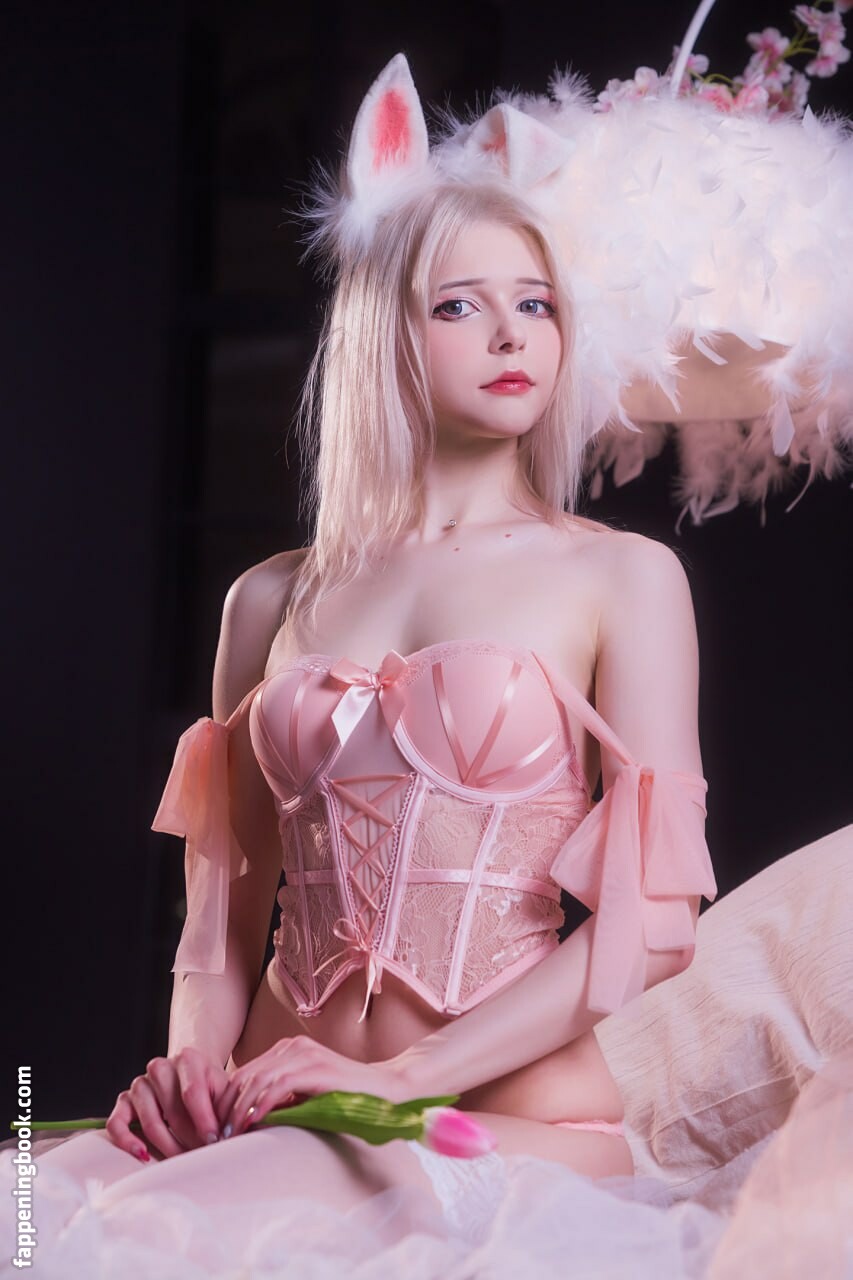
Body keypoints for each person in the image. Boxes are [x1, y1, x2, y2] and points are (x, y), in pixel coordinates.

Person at [27, 62, 720, 1245]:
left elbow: (656, 919)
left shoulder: (622, 576)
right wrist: (190, 1072)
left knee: (141, 1238)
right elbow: (224, 912)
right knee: (31, 1207)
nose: (509, 332)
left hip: (496, 1130)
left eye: (536, 303)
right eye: (458, 305)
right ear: (381, 328)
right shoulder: (268, 598)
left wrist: (404, 1077)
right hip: (276, 1115)